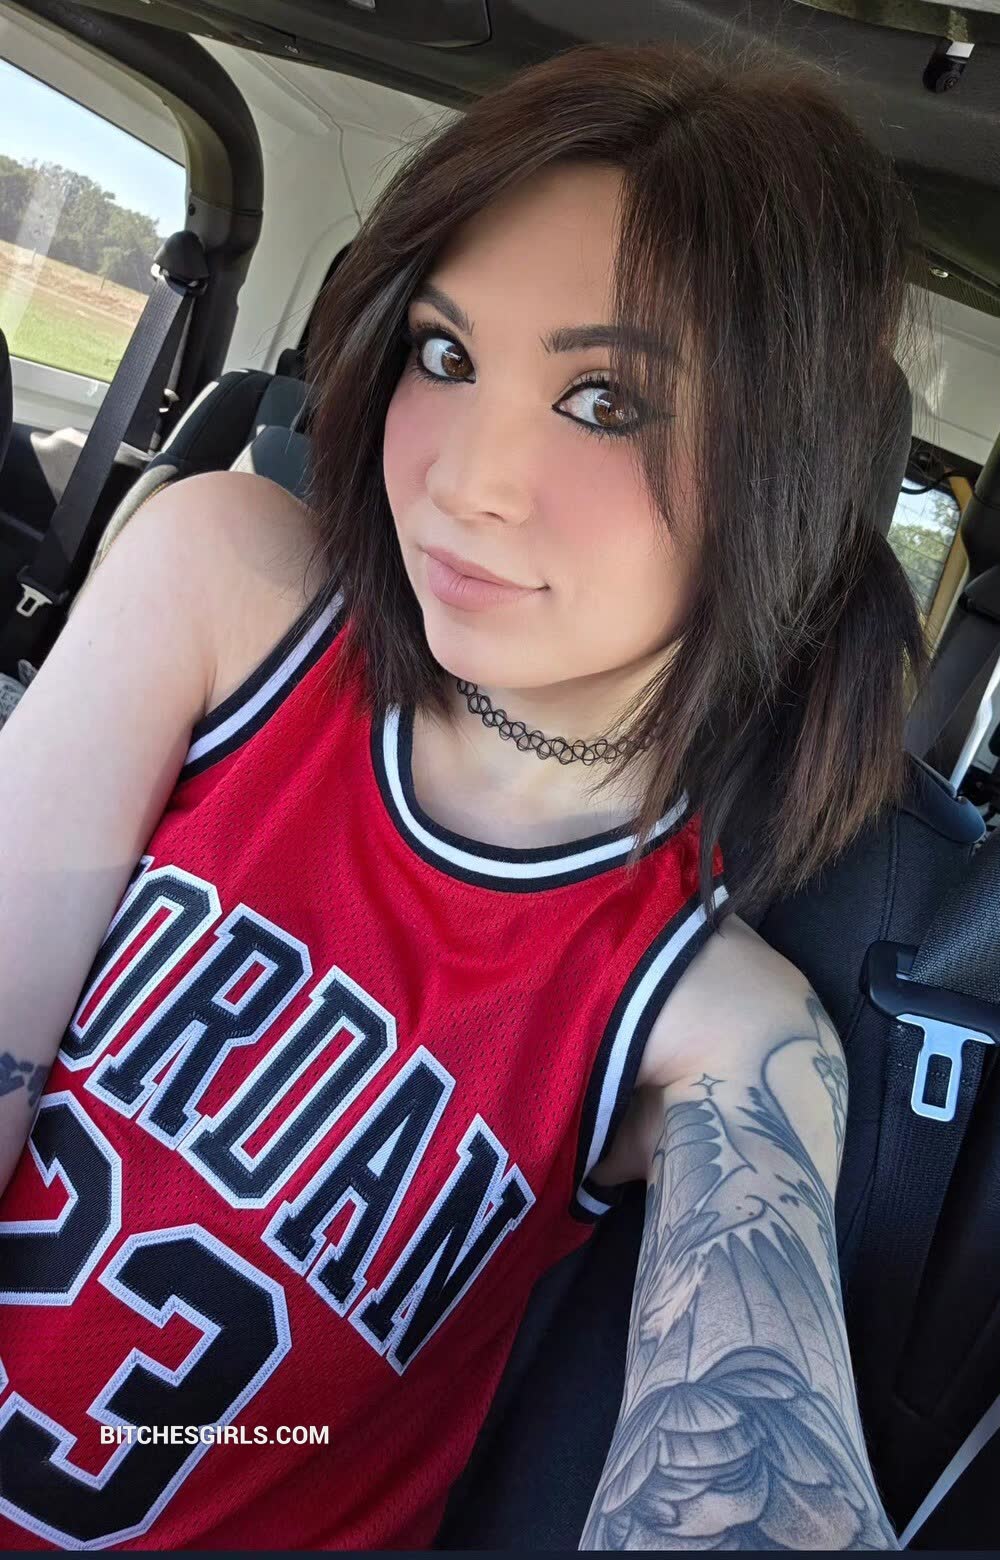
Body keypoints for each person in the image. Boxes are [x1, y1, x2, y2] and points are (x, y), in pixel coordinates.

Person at [0, 37, 925, 1552]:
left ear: (789, 475)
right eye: (444, 355)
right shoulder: (231, 583)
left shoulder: (721, 1022)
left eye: (608, 401)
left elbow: (759, 1452)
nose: (467, 480)